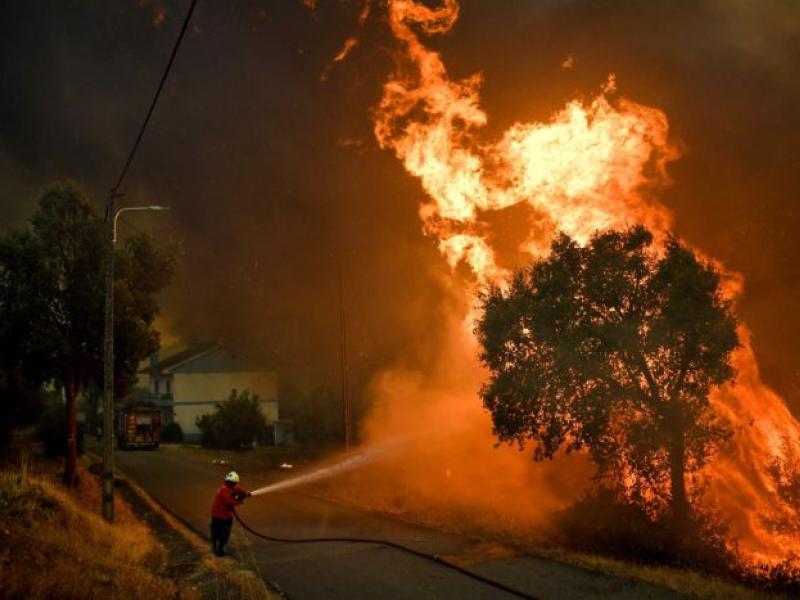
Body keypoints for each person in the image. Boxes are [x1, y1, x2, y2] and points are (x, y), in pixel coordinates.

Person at [210, 471, 251, 557]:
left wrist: (246, 493)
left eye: (235, 483)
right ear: (228, 482)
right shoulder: (224, 490)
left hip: (227, 516)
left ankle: (219, 547)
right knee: (220, 533)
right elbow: (229, 501)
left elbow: (239, 490)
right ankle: (218, 549)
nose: (234, 485)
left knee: (225, 533)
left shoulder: (233, 487)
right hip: (219, 516)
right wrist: (239, 501)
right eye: (233, 483)